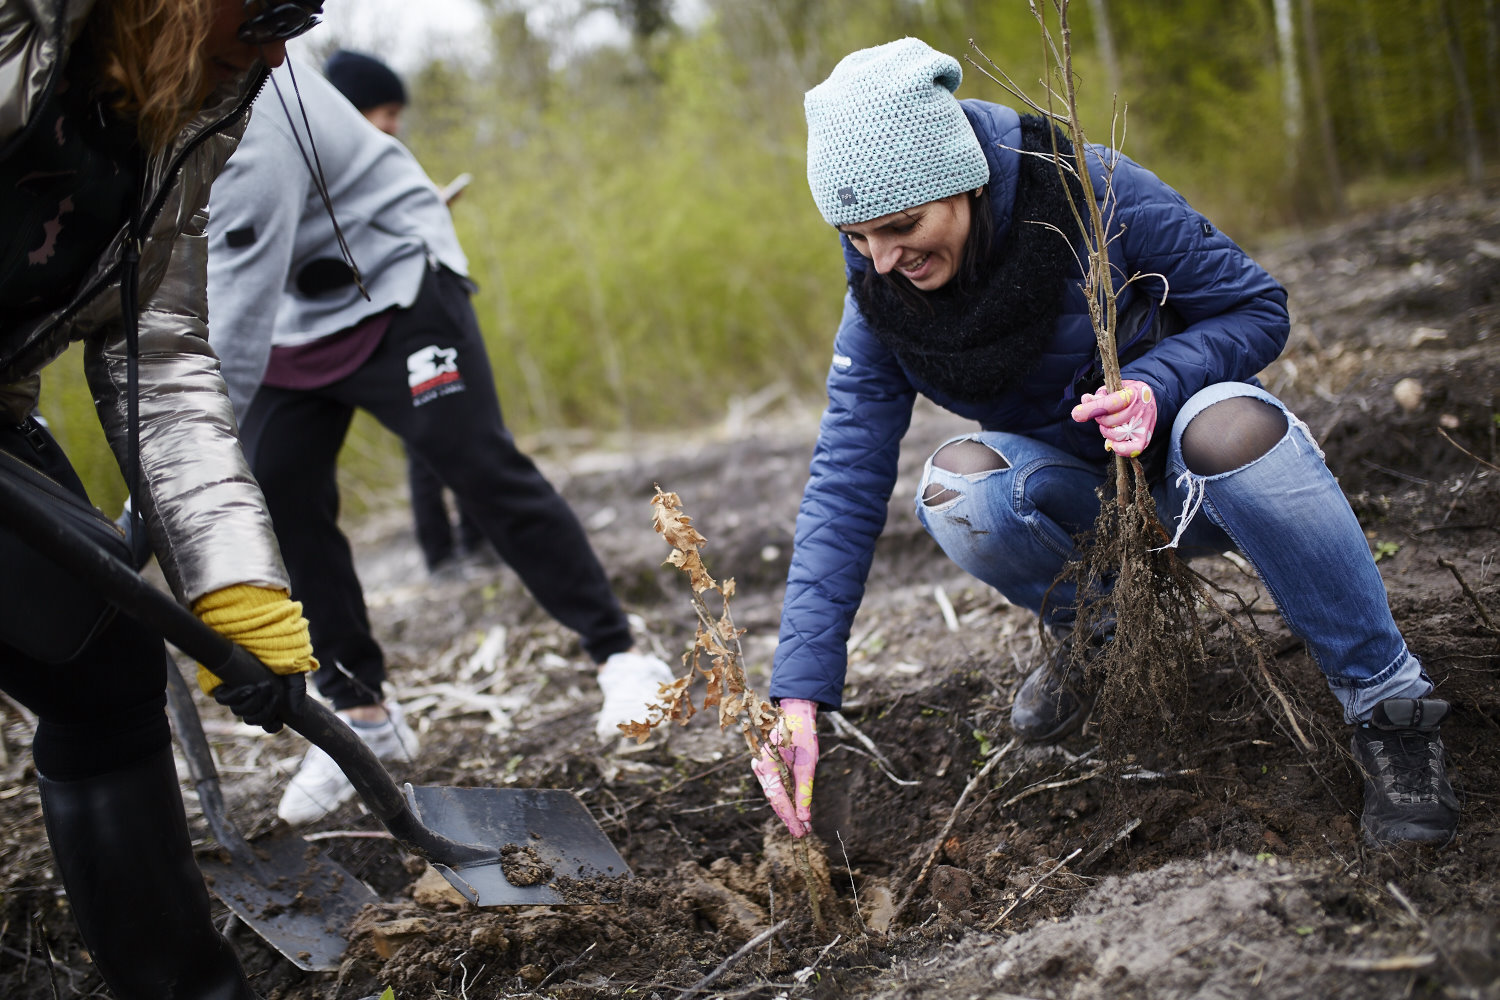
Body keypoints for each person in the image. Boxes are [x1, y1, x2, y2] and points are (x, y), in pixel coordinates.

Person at [752, 38, 1459, 850]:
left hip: (1203, 478)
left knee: (1233, 425)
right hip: (1082, 511)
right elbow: (844, 477)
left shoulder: (1097, 190)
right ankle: (1101, 641)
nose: (882, 260)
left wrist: (1157, 384)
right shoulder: (881, 297)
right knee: (959, 486)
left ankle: (1389, 705)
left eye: (900, 227)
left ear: (964, 178)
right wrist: (800, 694)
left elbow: (1258, 309)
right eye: (856, 236)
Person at [205, 58, 674, 826]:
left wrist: (165, 473)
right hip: (288, 318)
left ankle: (622, 653)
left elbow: (233, 290)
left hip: (392, 279)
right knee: (278, 492)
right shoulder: (117, 138)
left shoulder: (240, 96)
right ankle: (363, 716)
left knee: (478, 467)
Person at [0, 2, 325, 998]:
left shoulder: (196, 106)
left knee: (102, 667)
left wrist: (237, 588)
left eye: (302, 20)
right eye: (267, 11)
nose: (277, 49)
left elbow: (161, 352)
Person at [323, 48, 493, 578]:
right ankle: (440, 555)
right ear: (352, 110)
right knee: (425, 443)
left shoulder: (386, 161)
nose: (395, 125)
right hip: (385, 327)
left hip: (432, 308)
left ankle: (479, 542)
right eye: (387, 112)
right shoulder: (325, 170)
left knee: (467, 429)